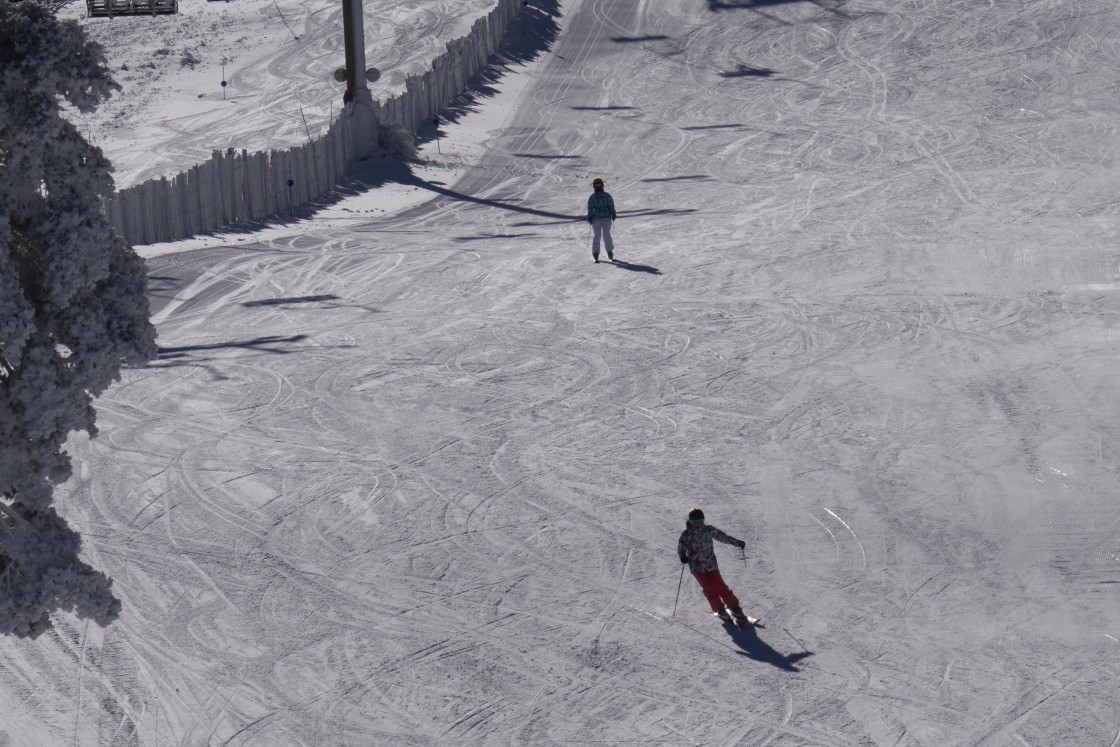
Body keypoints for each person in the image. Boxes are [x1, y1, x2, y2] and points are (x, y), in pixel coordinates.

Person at [677, 508, 749, 625]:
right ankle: (721, 610)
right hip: (697, 567)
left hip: (710, 564)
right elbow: (681, 547)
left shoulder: (708, 530)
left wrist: (737, 542)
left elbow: (723, 537)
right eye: (695, 521)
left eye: (699, 521)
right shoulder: (687, 534)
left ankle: (734, 608)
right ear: (691, 521)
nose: (698, 524)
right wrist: (683, 556)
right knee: (710, 588)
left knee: (719, 586)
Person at [586, 177, 617, 263]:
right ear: (594, 187)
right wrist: (590, 216)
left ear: (602, 185)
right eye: (596, 185)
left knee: (607, 235)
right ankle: (595, 253)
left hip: (606, 218)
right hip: (596, 219)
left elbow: (611, 205)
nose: (598, 187)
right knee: (597, 236)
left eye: (599, 185)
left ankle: (609, 251)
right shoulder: (592, 197)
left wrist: (613, 213)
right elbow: (590, 208)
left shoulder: (607, 196)